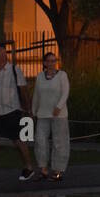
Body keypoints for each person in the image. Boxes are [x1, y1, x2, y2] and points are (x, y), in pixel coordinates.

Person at [0, 45, 35, 183]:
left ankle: (29, 167)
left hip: (12, 110)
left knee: (18, 140)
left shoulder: (15, 71)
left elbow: (23, 90)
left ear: (4, 56)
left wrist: (28, 108)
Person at [32, 50, 70, 181]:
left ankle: (57, 170)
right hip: (43, 113)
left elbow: (65, 92)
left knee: (59, 143)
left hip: (58, 115)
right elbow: (36, 95)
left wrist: (59, 106)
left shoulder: (62, 75)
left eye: (54, 61)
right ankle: (43, 169)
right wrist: (34, 110)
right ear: (44, 63)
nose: (51, 63)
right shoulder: (40, 77)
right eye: (49, 61)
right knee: (40, 141)